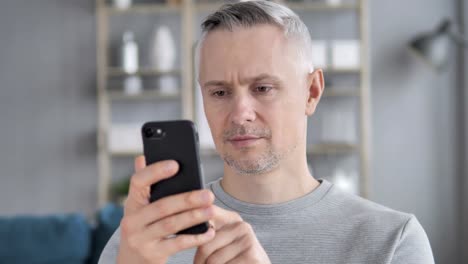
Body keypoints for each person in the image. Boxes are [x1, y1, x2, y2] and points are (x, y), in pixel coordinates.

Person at [99, 1, 434, 263]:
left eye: (262, 88)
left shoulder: (392, 242)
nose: (240, 113)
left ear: (312, 92)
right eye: (219, 93)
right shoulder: (144, 240)